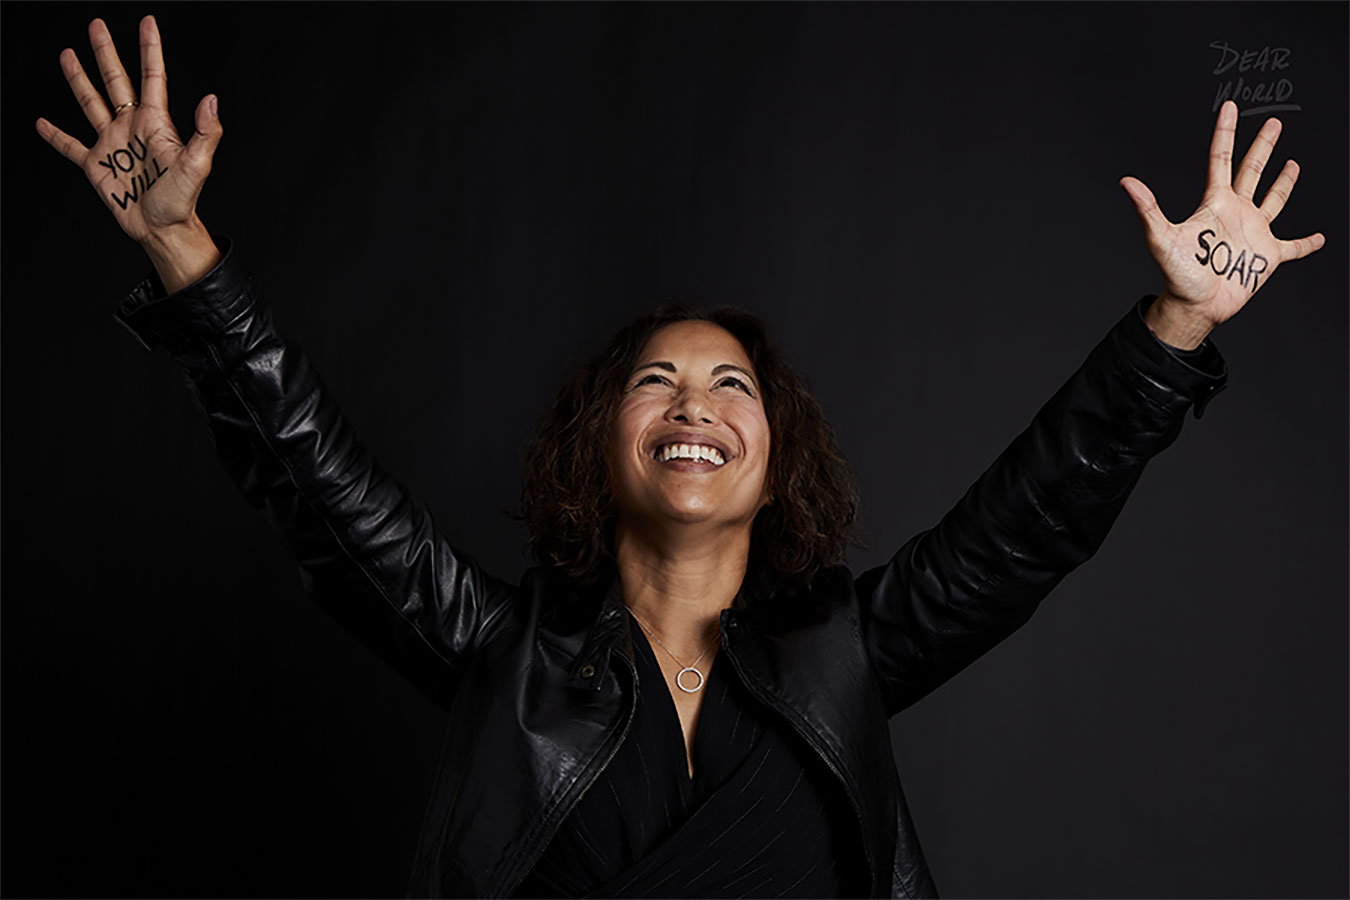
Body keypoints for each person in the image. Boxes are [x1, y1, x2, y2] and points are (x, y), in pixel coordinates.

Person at [36, 15, 1326, 900]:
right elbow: (315, 477)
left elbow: (1036, 516)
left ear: (777, 458)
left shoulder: (851, 656)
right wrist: (182, 252)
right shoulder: (503, 658)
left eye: (730, 384)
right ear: (601, 449)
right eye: (655, 379)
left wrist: (1178, 322)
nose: (693, 400)